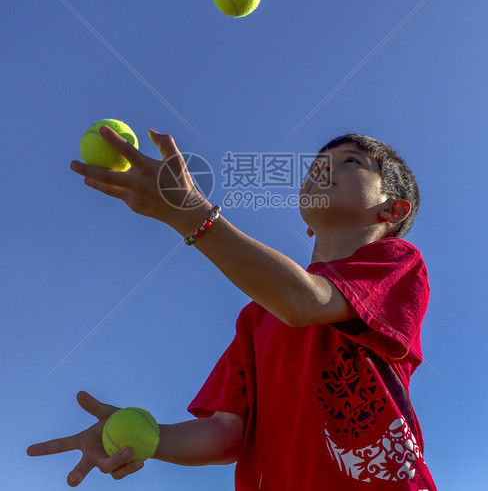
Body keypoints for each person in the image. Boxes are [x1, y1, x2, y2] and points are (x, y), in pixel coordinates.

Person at [27, 126, 438, 489]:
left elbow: (305, 301)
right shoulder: (256, 317)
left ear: (392, 209)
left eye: (349, 161)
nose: (320, 170)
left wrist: (190, 215)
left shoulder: (398, 263)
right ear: (307, 221)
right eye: (316, 165)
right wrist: (143, 437)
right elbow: (226, 434)